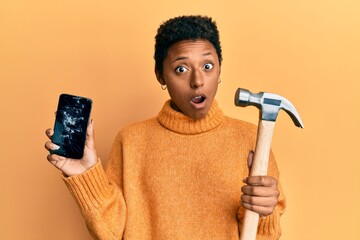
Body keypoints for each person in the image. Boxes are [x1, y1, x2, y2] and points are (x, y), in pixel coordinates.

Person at [45, 15, 285, 239]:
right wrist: (86, 175)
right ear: (160, 75)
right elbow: (110, 232)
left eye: (208, 66)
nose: (198, 80)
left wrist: (265, 213)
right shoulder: (131, 140)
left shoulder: (252, 140)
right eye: (181, 69)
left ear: (220, 69)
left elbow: (265, 236)